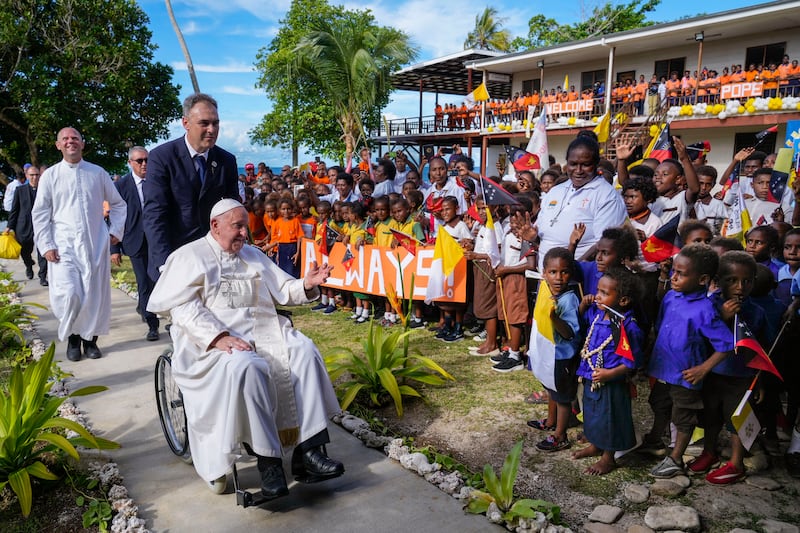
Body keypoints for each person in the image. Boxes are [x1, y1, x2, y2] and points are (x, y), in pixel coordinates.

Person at [146, 198, 344, 498]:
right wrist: (217, 337)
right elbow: (182, 308)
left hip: (266, 332)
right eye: (237, 227)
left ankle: (310, 453)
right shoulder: (190, 257)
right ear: (215, 226)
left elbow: (283, 289)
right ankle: (270, 464)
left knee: (304, 351)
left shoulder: (253, 255)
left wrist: (305, 284)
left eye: (245, 227)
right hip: (211, 343)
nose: (244, 234)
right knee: (248, 366)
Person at [31, 127, 126, 361]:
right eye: (65, 139)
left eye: (75, 138)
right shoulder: (50, 176)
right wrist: (46, 245)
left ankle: (89, 340)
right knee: (70, 293)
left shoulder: (97, 173)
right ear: (58, 145)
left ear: (82, 144)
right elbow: (41, 212)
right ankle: (73, 337)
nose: (70, 141)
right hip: (63, 246)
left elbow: (118, 204)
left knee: (94, 295)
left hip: (95, 243)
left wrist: (115, 231)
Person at [645, 244, 733, 478]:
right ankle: (654, 440)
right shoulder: (672, 296)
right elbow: (661, 324)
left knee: (683, 415)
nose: (674, 277)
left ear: (703, 279)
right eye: (674, 271)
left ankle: (675, 458)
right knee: (658, 404)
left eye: (681, 274)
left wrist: (703, 369)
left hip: (686, 374)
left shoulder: (706, 309)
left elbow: (726, 345)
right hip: (663, 367)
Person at [143, 93, 240, 280]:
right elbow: (155, 214)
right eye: (204, 123)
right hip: (175, 257)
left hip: (216, 258)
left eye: (216, 123)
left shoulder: (226, 161)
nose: (212, 129)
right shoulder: (162, 157)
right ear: (186, 123)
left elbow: (232, 209)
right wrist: (163, 263)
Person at [574, 267, 644, 475]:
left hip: (611, 382)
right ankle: (596, 444)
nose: (597, 296)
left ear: (622, 301)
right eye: (598, 290)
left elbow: (633, 361)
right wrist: (582, 306)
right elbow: (581, 324)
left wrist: (610, 374)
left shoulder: (628, 326)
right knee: (592, 413)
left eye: (604, 293)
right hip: (590, 375)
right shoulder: (597, 314)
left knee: (610, 417)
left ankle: (608, 457)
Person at [534, 136, 627, 269]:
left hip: (580, 276)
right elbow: (544, 235)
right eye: (573, 164)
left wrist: (570, 268)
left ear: (596, 164)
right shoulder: (556, 191)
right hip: (546, 277)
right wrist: (532, 237)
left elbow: (603, 244)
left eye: (585, 165)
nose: (578, 170)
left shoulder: (606, 195)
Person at [527, 247, 581, 452]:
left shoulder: (568, 299)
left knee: (563, 397)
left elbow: (568, 333)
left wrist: (554, 318)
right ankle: (551, 420)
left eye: (564, 272)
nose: (558, 278)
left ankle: (560, 434)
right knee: (551, 389)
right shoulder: (545, 290)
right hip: (548, 354)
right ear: (544, 273)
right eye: (553, 272)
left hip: (563, 357)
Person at [110, 146, 159, 341]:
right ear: (130, 163)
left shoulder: (157, 182)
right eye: (139, 161)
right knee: (143, 282)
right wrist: (114, 248)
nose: (144, 164)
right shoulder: (120, 186)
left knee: (158, 279)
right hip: (135, 241)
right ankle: (152, 323)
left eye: (147, 160)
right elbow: (113, 217)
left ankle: (146, 307)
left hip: (156, 241)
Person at [5, 164, 47, 285]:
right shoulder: (20, 190)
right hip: (24, 225)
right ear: (27, 176)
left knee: (43, 251)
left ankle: (43, 276)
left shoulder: (45, 190)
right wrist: (9, 226)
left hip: (41, 225)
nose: (34, 177)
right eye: (32, 175)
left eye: (37, 175)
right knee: (25, 250)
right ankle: (29, 265)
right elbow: (14, 209)